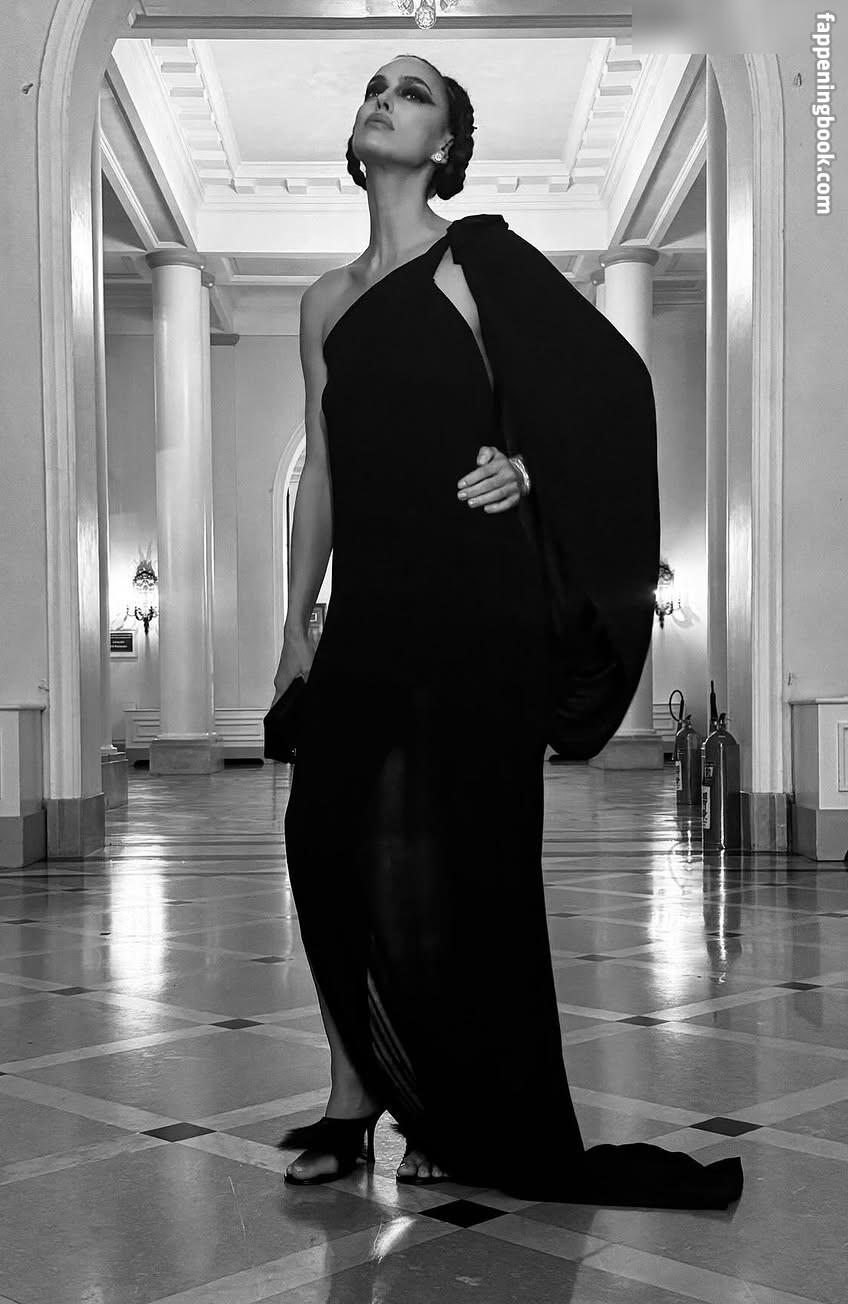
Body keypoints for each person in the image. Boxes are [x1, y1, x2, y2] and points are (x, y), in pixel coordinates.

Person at [272, 53, 743, 1210]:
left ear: (444, 145)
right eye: (375, 85)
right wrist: (293, 618)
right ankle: (354, 1091)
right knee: (324, 838)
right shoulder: (323, 301)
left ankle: (451, 1107)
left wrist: (527, 466)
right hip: (370, 605)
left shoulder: (477, 261)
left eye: (412, 92)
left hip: (476, 607)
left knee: (462, 864)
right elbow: (321, 471)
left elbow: (606, 392)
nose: (382, 99)